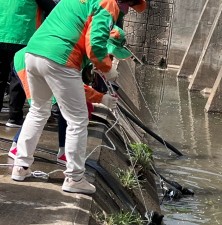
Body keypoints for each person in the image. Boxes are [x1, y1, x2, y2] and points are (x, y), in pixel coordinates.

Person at [12, 0, 143, 195]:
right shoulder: (108, 3)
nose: (125, 11)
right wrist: (107, 69)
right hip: (61, 56)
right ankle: (74, 178)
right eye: (129, 6)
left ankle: (20, 167)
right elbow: (96, 44)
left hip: (33, 52)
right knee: (77, 120)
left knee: (38, 111)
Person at [0, 0, 56, 127]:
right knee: (19, 76)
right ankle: (14, 117)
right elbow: (53, 9)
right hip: (23, 34)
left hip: (1, 32)